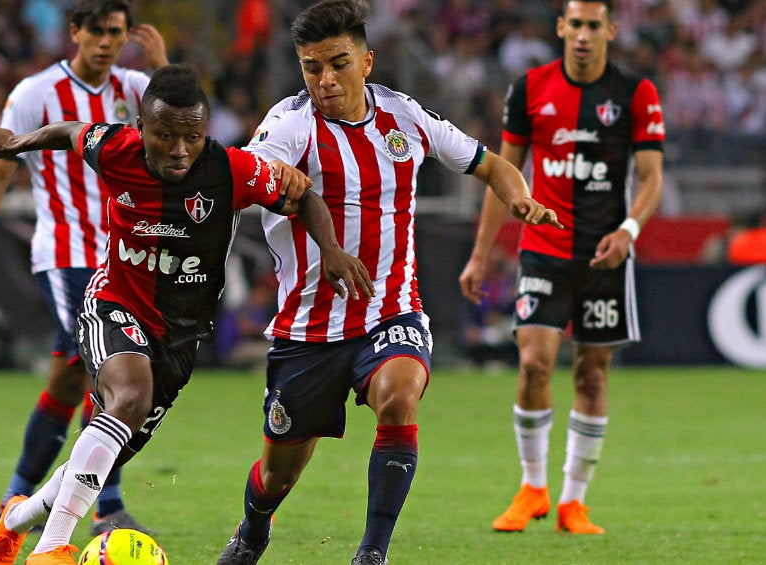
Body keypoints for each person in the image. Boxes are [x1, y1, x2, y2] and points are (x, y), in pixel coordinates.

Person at [0, 63, 374, 565]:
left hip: (179, 341)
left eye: (193, 137)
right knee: (129, 396)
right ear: (141, 129)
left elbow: (305, 197)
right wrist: (16, 144)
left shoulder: (232, 171)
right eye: (165, 136)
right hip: (113, 305)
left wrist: (330, 249)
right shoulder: (116, 149)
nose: (180, 150)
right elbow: (71, 131)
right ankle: (51, 550)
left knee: (91, 462)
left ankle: (12, 525)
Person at [214, 2, 562, 565]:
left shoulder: (405, 117)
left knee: (399, 397)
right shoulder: (287, 124)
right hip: (308, 328)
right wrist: (274, 176)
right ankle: (253, 530)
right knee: (278, 476)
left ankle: (371, 554)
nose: (325, 79)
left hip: (390, 310)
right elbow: (250, 171)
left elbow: (492, 163)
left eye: (338, 63)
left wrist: (518, 195)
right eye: (311, 68)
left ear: (367, 61)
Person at [0, 0, 168, 536]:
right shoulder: (35, 94)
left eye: (116, 32)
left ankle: (13, 498)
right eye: (96, 30)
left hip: (127, 258)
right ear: (75, 32)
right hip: (66, 256)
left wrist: (162, 70)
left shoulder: (139, 88)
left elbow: (185, 133)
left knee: (68, 381)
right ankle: (107, 506)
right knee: (101, 367)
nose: (106, 41)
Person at [458, 0, 665, 535]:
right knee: (533, 363)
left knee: (592, 373)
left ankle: (574, 502)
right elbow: (503, 172)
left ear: (610, 31)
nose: (583, 34)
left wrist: (629, 231)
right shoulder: (529, 89)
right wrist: (481, 254)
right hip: (543, 248)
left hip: (605, 253)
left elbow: (650, 179)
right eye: (575, 24)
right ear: (561, 28)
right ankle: (532, 488)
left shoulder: (635, 94)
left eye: (594, 25)